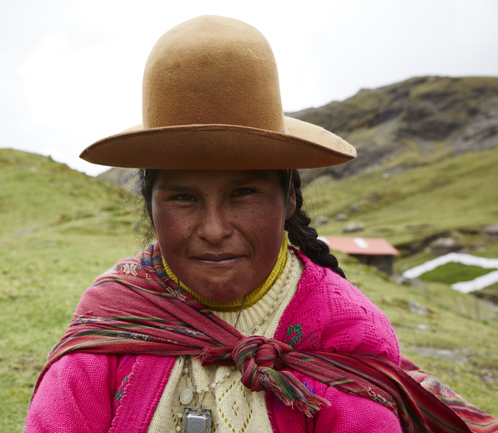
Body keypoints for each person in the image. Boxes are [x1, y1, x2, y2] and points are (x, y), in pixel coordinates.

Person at [25, 16, 497, 433]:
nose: (213, 229)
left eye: (243, 193)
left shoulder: (344, 330)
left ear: (289, 197)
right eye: (184, 198)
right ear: (151, 206)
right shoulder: (114, 315)